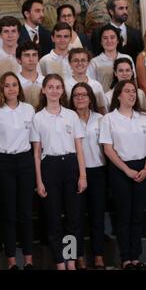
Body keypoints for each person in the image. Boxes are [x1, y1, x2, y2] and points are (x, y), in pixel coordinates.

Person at [31, 74, 87, 270]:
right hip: (50, 167)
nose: (54, 90)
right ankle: (59, 263)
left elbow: (79, 147)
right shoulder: (37, 118)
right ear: (44, 90)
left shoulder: (71, 115)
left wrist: (82, 175)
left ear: (63, 91)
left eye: (58, 87)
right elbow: (37, 153)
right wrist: (39, 181)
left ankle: (70, 261)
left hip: (70, 165)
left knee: (73, 218)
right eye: (50, 87)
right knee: (53, 218)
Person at [0, 72, 35, 270]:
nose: (11, 88)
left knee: (25, 212)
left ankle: (29, 260)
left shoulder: (29, 109)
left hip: (25, 161)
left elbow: (34, 139)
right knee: (8, 213)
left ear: (19, 88)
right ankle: (11, 262)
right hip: (4, 162)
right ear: (1, 89)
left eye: (14, 85)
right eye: (7, 85)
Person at [99, 80, 146, 270]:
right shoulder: (109, 119)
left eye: (134, 91)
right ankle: (126, 258)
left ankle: (136, 256)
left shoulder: (143, 117)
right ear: (118, 95)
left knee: (138, 216)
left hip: (142, 168)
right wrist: (127, 170)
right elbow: (108, 149)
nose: (132, 94)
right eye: (127, 91)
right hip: (120, 169)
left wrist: (145, 169)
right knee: (124, 215)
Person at [69, 82, 107, 269]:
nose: (80, 98)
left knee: (97, 216)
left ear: (90, 97)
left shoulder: (101, 119)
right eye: (76, 95)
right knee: (74, 218)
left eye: (84, 94)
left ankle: (98, 255)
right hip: (74, 173)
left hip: (98, 171)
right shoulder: (67, 118)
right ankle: (78, 256)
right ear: (72, 99)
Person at [88, 25, 136, 92]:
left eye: (112, 37)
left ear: (118, 40)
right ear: (101, 42)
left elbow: (134, 81)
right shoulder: (94, 62)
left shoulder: (127, 58)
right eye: (105, 38)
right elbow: (92, 85)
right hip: (105, 100)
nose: (109, 41)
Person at [65, 48, 106, 114]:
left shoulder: (96, 85)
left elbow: (101, 108)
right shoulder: (64, 85)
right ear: (70, 63)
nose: (80, 63)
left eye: (83, 60)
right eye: (76, 60)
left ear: (88, 63)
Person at [0, 16, 22, 82]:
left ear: (18, 34)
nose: (10, 35)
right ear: (0, 35)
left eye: (13, 31)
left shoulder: (29, 56)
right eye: (6, 31)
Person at [15, 41, 44, 108]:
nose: (31, 59)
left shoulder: (47, 82)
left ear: (38, 58)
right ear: (18, 60)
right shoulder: (14, 83)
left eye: (34, 55)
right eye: (27, 55)